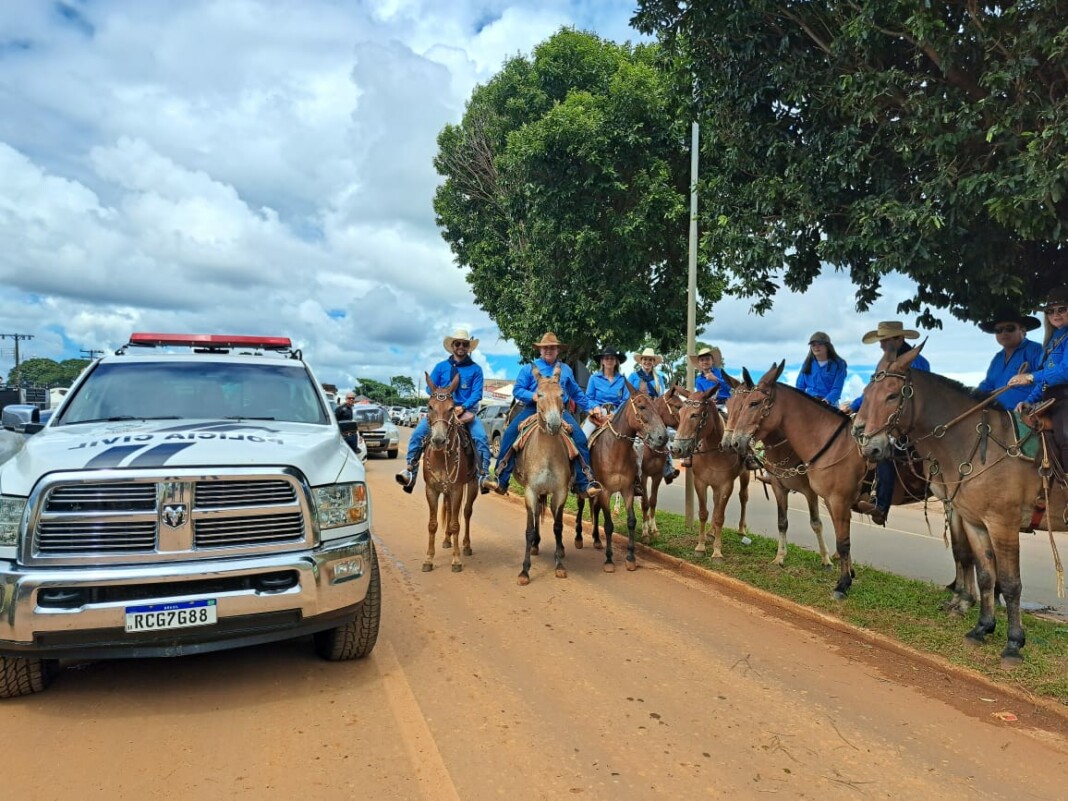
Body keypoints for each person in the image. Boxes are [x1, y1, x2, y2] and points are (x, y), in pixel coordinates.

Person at [481, 333, 602, 498]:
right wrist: (533, 396)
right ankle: (501, 479)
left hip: (559, 411)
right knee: (510, 434)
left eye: (552, 347)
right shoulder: (528, 368)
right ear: (540, 350)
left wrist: (591, 407)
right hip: (533, 409)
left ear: (558, 350)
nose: (549, 350)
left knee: (580, 438)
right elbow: (517, 390)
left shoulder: (565, 370)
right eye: (545, 348)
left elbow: (576, 393)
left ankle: (584, 483)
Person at [843, 321, 930, 526]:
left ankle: (881, 506)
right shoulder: (884, 363)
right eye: (881, 341)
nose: (882, 346)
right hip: (887, 416)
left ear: (899, 339)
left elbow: (913, 396)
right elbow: (874, 391)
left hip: (907, 420)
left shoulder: (918, 363)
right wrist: (855, 405)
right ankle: (858, 489)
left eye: (886, 341)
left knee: (885, 454)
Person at [396, 328, 491, 494]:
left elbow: (477, 393)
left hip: (464, 410)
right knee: (418, 435)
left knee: (481, 438)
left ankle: (484, 475)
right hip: (441, 412)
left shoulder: (476, 370)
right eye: (458, 343)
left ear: (469, 347)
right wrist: (440, 397)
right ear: (452, 346)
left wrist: (463, 406)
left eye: (464, 344)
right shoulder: (441, 367)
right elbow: (429, 388)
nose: (461, 346)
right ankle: (410, 471)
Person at [1007, 286, 1068, 471]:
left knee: (1065, 435)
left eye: (1062, 309)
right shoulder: (1053, 340)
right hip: (1050, 398)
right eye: (1050, 311)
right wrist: (1029, 400)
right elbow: (1045, 379)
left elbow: (1064, 371)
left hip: (1066, 398)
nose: (1055, 314)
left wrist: (1030, 376)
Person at [629, 347, 680, 481]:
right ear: (641, 361)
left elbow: (661, 396)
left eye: (650, 360)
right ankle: (635, 472)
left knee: (665, 436)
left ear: (653, 362)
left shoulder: (659, 378)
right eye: (645, 359)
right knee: (635, 440)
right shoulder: (633, 376)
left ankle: (668, 468)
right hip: (639, 410)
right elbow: (627, 395)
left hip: (654, 409)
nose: (647, 362)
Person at [975, 310, 1043, 410]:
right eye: (999, 330)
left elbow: (1046, 380)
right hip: (998, 416)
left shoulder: (1036, 350)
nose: (1004, 333)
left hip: (1027, 414)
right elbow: (987, 386)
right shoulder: (998, 358)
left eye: (1010, 328)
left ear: (1023, 331)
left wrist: (1030, 401)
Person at [582, 345, 629, 437]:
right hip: (598, 415)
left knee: (633, 439)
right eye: (606, 358)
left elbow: (625, 400)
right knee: (583, 438)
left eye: (612, 358)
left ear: (616, 361)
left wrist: (615, 414)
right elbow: (588, 398)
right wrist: (595, 407)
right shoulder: (594, 378)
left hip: (618, 415)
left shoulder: (622, 379)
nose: (609, 360)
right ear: (602, 361)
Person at [795, 332, 847, 406]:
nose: (816, 347)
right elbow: (800, 387)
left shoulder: (839, 364)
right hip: (809, 403)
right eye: (813, 345)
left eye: (820, 344)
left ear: (828, 346)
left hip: (829, 405)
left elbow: (837, 389)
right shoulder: (807, 364)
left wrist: (826, 401)